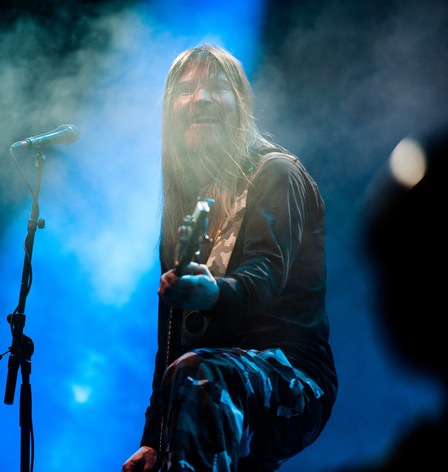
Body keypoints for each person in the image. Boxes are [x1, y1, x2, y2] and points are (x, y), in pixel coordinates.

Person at [122, 45, 338, 472]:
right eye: (186, 89)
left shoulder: (277, 174)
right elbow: (171, 342)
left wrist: (213, 292)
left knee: (203, 374)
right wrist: (154, 441)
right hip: (213, 382)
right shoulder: (184, 211)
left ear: (241, 104)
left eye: (216, 87)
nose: (200, 98)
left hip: (294, 378)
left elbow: (263, 276)